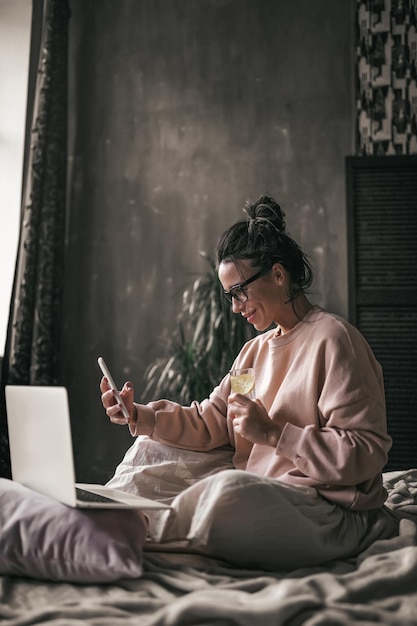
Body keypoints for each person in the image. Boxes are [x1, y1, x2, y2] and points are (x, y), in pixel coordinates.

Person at [100, 194, 399, 571]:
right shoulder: (253, 353)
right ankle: (107, 519)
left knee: (226, 496)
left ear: (278, 274)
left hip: (324, 509)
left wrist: (275, 434)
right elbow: (212, 421)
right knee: (149, 449)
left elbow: (365, 453)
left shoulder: (335, 340)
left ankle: (142, 532)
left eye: (239, 292)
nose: (235, 306)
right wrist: (140, 415)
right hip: (261, 490)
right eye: (230, 297)